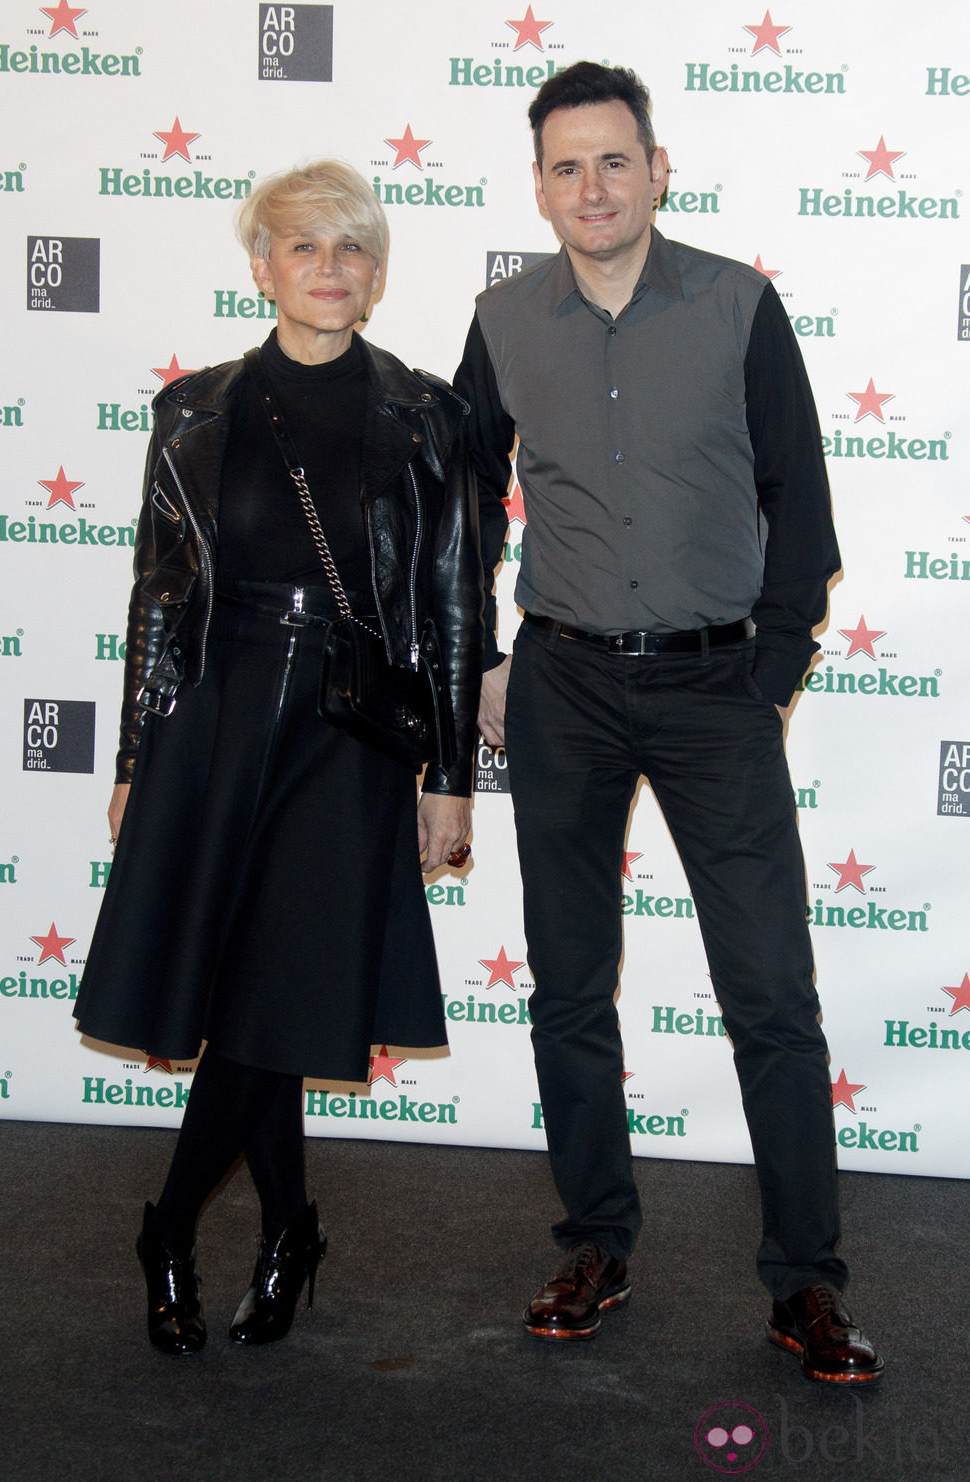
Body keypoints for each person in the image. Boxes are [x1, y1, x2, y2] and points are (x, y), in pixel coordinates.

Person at [453, 62, 883, 1383]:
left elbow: (797, 504)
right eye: (566, 167)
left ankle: (805, 1281)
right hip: (566, 687)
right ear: (540, 185)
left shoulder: (741, 306)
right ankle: (596, 1242)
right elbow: (461, 515)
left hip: (716, 692)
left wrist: (769, 671)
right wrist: (479, 662)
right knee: (572, 985)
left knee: (769, 991)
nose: (593, 187)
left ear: (656, 169)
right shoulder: (501, 321)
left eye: (614, 161)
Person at [74, 160, 484, 1355]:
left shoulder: (425, 415)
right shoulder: (193, 409)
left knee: (279, 990)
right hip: (215, 710)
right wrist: (136, 748)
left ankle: (165, 1228)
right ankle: (291, 1226)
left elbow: (455, 602)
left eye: (348, 249)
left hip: (347, 725)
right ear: (261, 266)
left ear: (375, 268)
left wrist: (450, 770)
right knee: (260, 991)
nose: (326, 269)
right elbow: (159, 593)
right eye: (301, 248)